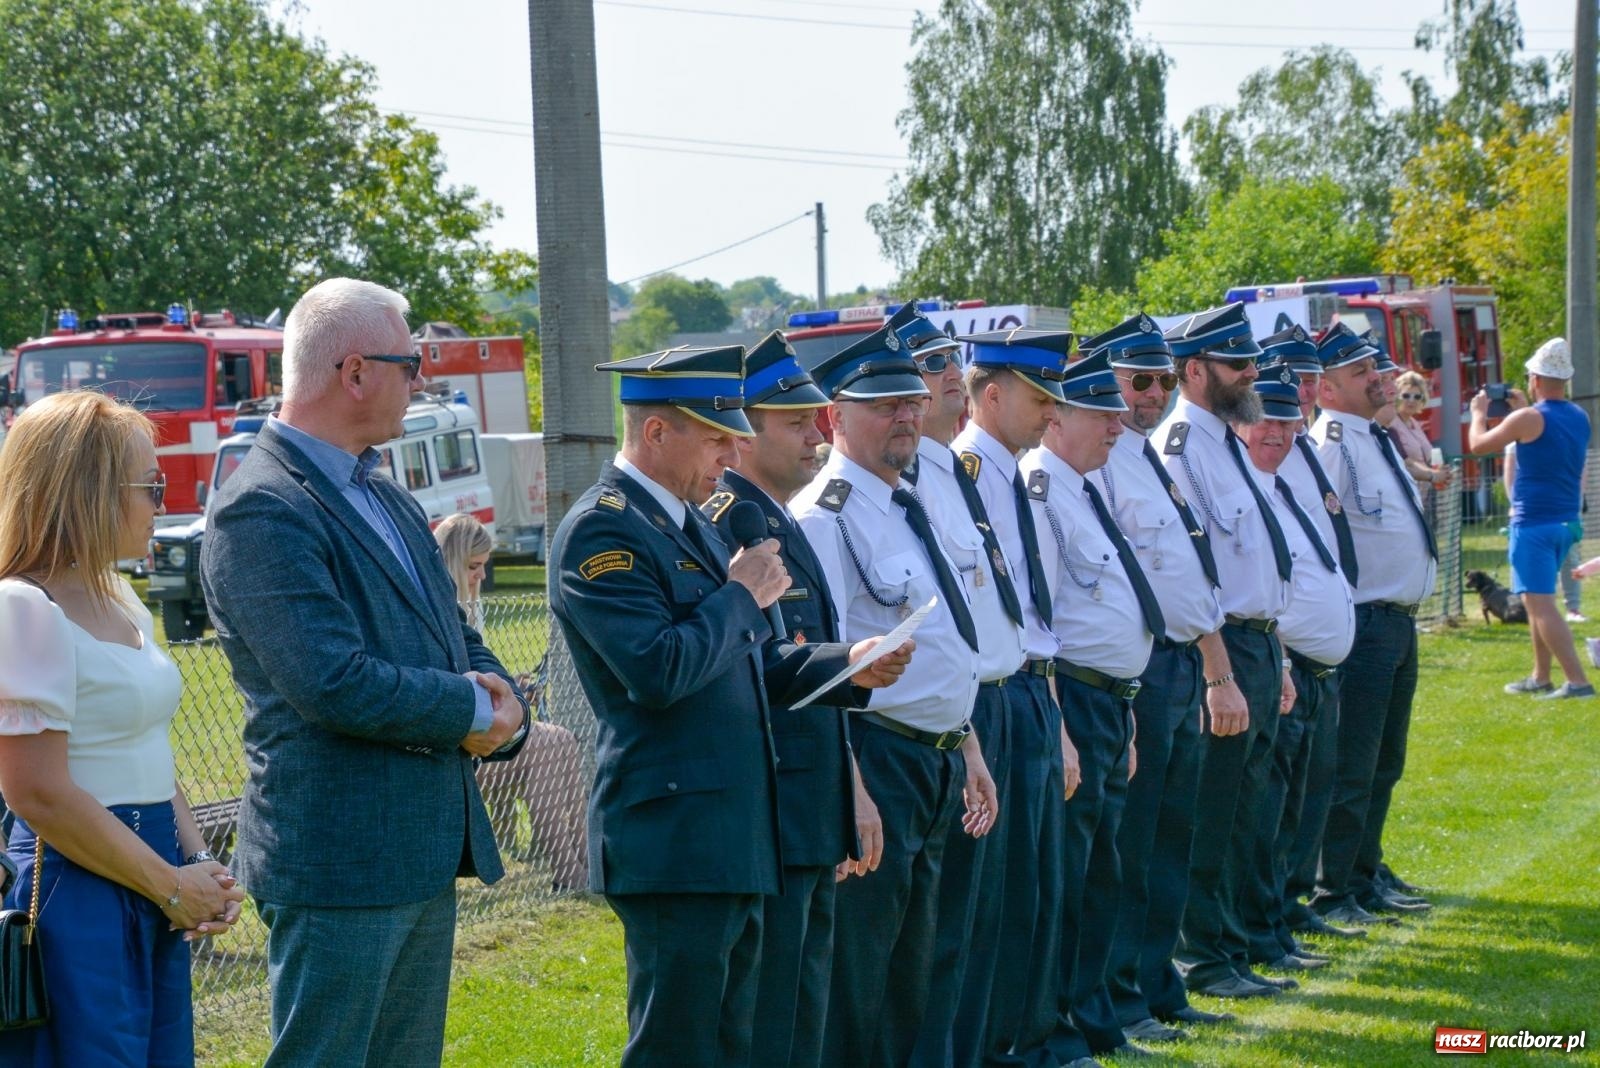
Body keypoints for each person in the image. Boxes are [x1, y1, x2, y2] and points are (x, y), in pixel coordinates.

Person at [548, 341, 909, 1068]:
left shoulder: (696, 525)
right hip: (676, 837)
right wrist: (742, 595)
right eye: (715, 435)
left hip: (737, 832)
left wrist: (849, 665)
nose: (731, 450)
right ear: (657, 432)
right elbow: (658, 670)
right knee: (679, 1046)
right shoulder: (603, 531)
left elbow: (751, 666)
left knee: (736, 1044)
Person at [200, 278, 530, 1067]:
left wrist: (504, 698)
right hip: (339, 859)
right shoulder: (263, 507)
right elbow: (331, 681)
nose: (424, 379)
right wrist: (475, 712)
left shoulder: (384, 491)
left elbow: (452, 632)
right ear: (354, 372)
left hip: (415, 846)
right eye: (412, 364)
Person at [0, 390, 244, 1065]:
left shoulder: (117, 595)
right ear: (90, 491)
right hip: (76, 893)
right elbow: (37, 792)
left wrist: (198, 867)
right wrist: (169, 883)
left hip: (148, 876)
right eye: (151, 486)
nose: (162, 504)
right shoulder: (23, 607)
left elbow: (149, 751)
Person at [791, 322, 999, 1067]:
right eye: (883, 405)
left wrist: (967, 744)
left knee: (928, 966)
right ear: (834, 417)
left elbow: (946, 638)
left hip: (938, 758)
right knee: (865, 975)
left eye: (911, 400)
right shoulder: (826, 519)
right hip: (879, 763)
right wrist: (851, 790)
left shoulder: (910, 504)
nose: (906, 415)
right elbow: (824, 669)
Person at [700, 330, 878, 1068]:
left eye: (817, 419)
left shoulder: (775, 519)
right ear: (742, 436)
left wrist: (848, 793)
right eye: (795, 422)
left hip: (810, 803)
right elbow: (751, 673)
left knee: (805, 1004)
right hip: (773, 806)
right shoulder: (728, 524)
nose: (817, 435)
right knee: (770, 1011)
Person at [1078, 314, 1233, 1045]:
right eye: (1139, 380)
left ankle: (1159, 984)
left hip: (1175, 666)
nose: (1153, 394)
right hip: (1139, 670)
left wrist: (1213, 668)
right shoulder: (1098, 460)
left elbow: (1183, 573)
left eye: (1165, 380)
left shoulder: (1144, 456)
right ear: (1105, 380)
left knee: (1171, 839)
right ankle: (1122, 994)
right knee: (1130, 850)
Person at [889, 306, 1027, 1068]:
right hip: (932, 723)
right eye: (928, 364)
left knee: (977, 916)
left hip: (984, 707)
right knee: (933, 930)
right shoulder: (901, 481)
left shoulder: (951, 468)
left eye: (951, 361)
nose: (948, 376)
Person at [1154, 303, 1298, 1001]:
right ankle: (1205, 958)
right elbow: (1192, 570)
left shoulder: (1224, 439)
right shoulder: (1181, 445)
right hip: (1224, 645)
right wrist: (1219, 668)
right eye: (1237, 364)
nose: (1250, 374)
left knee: (1250, 811)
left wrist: (1279, 659)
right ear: (1194, 370)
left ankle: (1240, 946)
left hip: (1259, 644)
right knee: (1213, 815)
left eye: (1250, 362)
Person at [948, 324, 1076, 1067]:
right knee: (995, 897)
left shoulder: (1011, 473)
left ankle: (1027, 1040)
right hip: (989, 700)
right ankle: (996, 1046)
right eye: (1038, 398)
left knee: (1034, 886)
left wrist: (1054, 721)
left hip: (1028, 694)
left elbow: (1031, 609)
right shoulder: (969, 472)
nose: (1052, 414)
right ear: (991, 395)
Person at [1309, 322, 1438, 926]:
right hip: (1365, 622)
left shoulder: (1372, 436)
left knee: (1384, 760)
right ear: (1327, 389)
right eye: (1360, 373)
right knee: (1353, 765)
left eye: (1374, 369)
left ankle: (1365, 872)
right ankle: (1336, 889)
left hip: (1396, 622)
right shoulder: (1333, 441)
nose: (1379, 379)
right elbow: (1320, 536)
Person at [1234, 363, 1356, 978]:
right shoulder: (1243, 484)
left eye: (1288, 419)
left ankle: (1276, 916)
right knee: (1263, 813)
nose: (1277, 431)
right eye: (1265, 420)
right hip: (1275, 665)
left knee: (1289, 807)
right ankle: (1258, 928)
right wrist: (1280, 658)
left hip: (1300, 669)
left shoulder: (1276, 484)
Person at [1255, 328, 1366, 945]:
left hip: (1317, 656)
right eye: (1291, 383)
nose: (1301, 397)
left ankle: (1290, 903)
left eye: (1307, 383)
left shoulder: (1296, 450)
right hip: (1286, 654)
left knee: (1304, 797)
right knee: (1272, 804)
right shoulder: (1268, 452)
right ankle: (1266, 915)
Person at [434, 512, 588, 891]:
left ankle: (585, 858)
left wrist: (510, 687)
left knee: (562, 739)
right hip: (455, 748)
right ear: (452, 563)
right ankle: (569, 872)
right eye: (473, 567)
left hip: (481, 734)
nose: (482, 577)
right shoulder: (439, 612)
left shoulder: (471, 608)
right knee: (547, 747)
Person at [1468, 337, 1593, 699]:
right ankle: (1540, 676)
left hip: (1534, 524)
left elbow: (1478, 445)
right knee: (1535, 600)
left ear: (1535, 377)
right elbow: (1544, 438)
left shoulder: (1527, 418)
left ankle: (1578, 681)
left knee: (1540, 605)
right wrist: (1522, 410)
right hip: (1566, 522)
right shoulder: (1577, 415)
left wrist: (1478, 414)